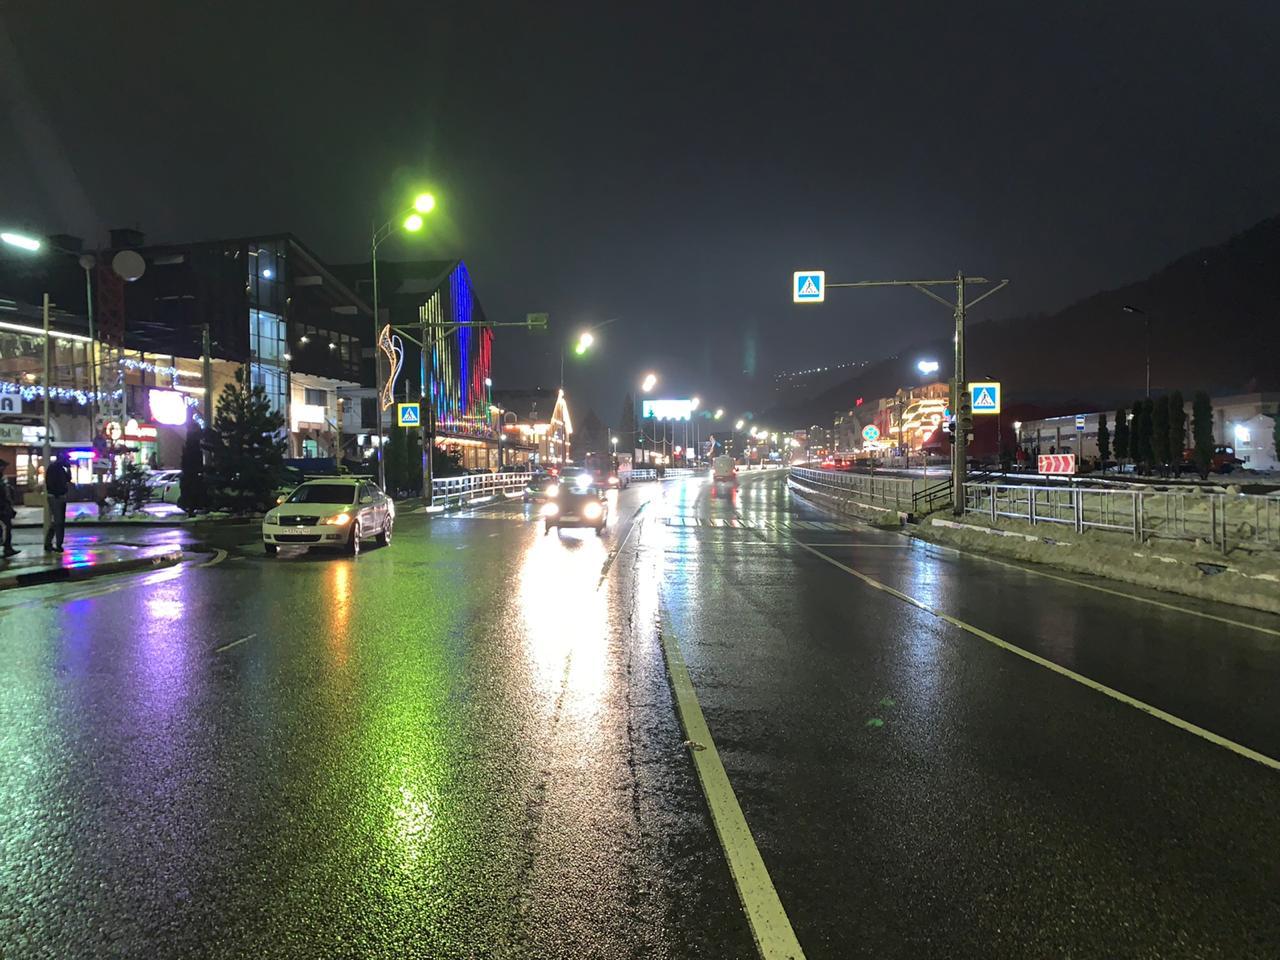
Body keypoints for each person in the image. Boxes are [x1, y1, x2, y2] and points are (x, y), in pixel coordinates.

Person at [44, 452, 72, 553]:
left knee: (58, 522)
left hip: (60, 496)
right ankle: (55, 544)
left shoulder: (61, 469)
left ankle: (53, 543)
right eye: (66, 459)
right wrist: (57, 494)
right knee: (58, 522)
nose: (67, 461)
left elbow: (68, 479)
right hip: (56, 497)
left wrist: (68, 468)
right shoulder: (53, 468)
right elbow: (50, 483)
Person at [0, 458, 18, 558]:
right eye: (3, 467)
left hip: (4, 506)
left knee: (7, 527)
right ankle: (7, 548)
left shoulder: (3, 478)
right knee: (7, 527)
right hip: (2, 507)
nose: (4, 468)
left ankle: (7, 547)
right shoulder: (1, 479)